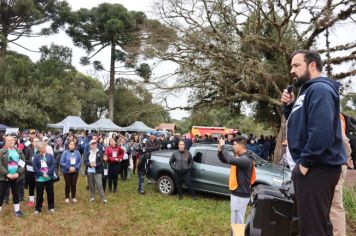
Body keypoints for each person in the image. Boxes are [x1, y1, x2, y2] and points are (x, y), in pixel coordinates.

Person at [281, 50, 346, 236]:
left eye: (296, 65)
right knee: (319, 226)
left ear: (312, 65)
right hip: (314, 169)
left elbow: (322, 132)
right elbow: (301, 125)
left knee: (312, 230)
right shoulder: (308, 90)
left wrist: (305, 164)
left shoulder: (320, 89)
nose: (292, 70)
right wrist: (289, 107)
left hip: (317, 169)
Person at [217, 136, 256, 225]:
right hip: (238, 193)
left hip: (240, 195)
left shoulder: (246, 159)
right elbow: (225, 160)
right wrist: (220, 151)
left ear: (240, 146)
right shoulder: (241, 157)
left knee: (237, 222)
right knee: (235, 220)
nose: (233, 147)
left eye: (234, 145)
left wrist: (223, 147)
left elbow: (230, 159)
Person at [0, 135, 26, 217]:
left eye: (12, 140)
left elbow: (22, 164)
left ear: (15, 141)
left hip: (16, 177)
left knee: (16, 194)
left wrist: (18, 173)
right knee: (1, 194)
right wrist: (7, 174)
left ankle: (17, 210)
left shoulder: (19, 151)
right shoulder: (1, 151)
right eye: (8, 140)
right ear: (5, 142)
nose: (11, 142)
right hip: (4, 177)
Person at [33, 142, 56, 214]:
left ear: (45, 148)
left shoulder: (50, 156)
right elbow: (35, 167)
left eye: (43, 147)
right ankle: (38, 209)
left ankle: (51, 207)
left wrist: (48, 173)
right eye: (40, 148)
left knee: (50, 193)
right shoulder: (36, 157)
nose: (42, 149)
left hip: (49, 177)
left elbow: (53, 165)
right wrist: (42, 174)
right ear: (38, 149)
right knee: (39, 193)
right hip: (40, 178)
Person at [24, 137, 40, 207]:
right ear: (32, 142)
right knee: (31, 186)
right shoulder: (28, 150)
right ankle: (31, 200)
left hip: (39, 171)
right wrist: (32, 162)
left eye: (37, 141)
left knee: (39, 186)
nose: (36, 143)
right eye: (35, 141)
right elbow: (25, 159)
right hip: (30, 170)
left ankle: (39, 200)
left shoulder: (41, 150)